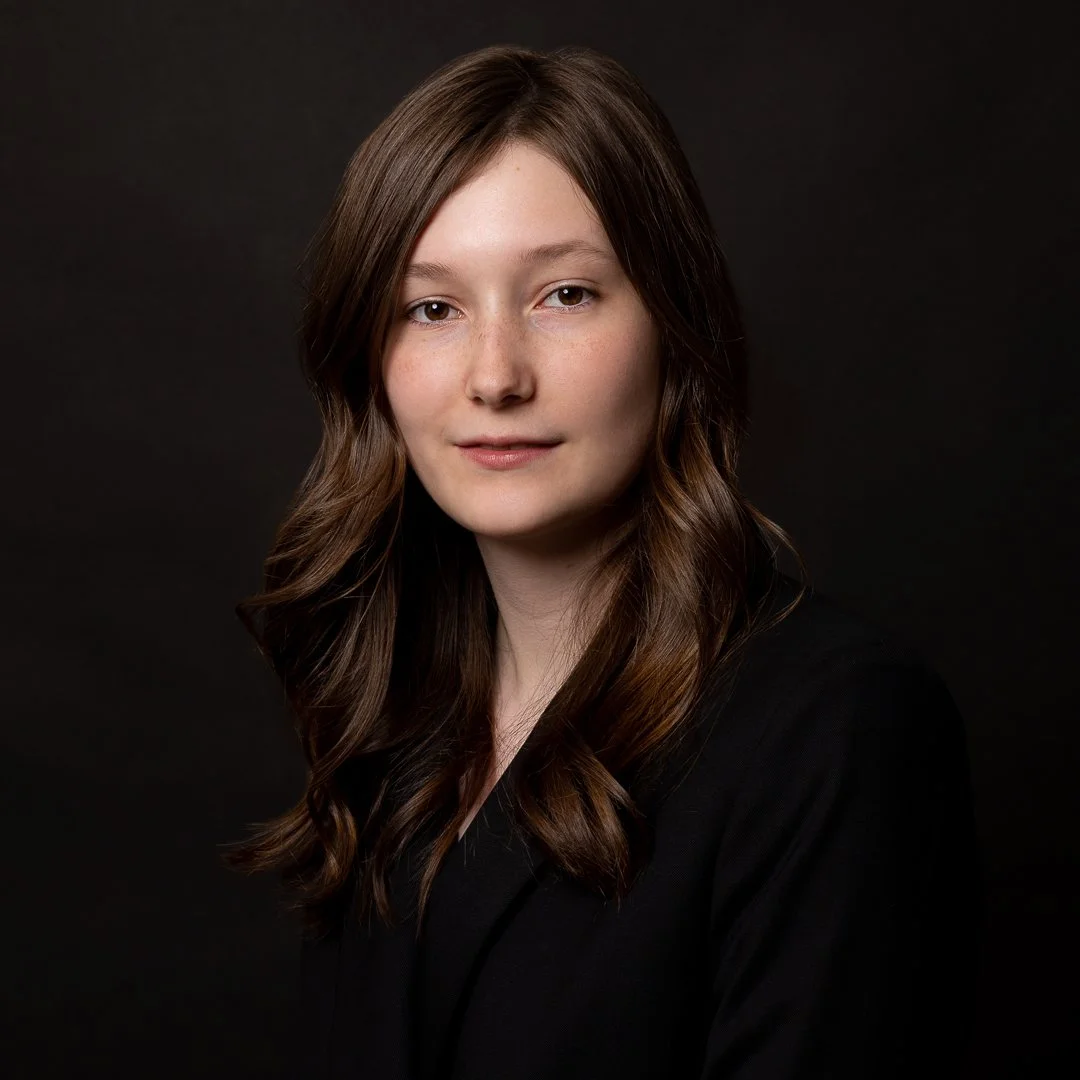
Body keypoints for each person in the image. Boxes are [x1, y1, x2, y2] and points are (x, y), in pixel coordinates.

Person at [225, 44, 983, 1079]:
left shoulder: (839, 730)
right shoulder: (395, 730)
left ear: (674, 322)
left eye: (565, 294)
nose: (496, 376)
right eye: (433, 308)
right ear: (372, 361)